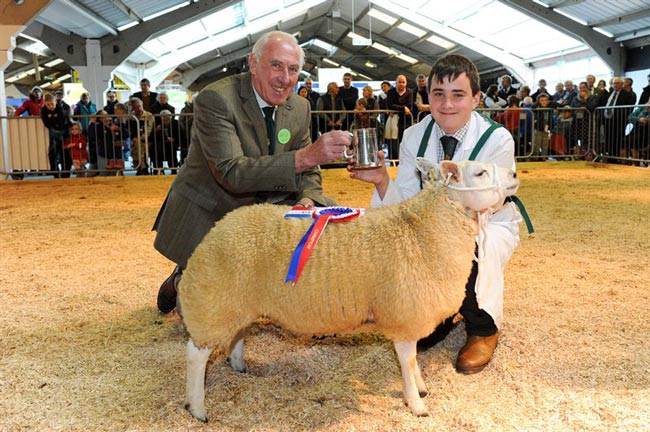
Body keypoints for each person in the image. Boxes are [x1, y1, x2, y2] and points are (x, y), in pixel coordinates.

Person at [152, 31, 351, 314]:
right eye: (276, 65)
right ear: (253, 64)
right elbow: (231, 172)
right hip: (213, 209)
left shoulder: (300, 107)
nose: (285, 77)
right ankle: (183, 279)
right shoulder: (216, 99)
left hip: (267, 208)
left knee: (327, 212)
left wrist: (306, 202)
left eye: (293, 69)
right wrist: (306, 157)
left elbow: (309, 170)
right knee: (207, 316)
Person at [349, 53, 521, 375]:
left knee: (468, 247)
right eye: (438, 94)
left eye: (458, 95)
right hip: (432, 225)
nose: (447, 104)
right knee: (404, 242)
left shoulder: (497, 139)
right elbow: (407, 203)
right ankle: (440, 313)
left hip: (487, 223)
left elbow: (492, 200)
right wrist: (382, 179)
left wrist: (442, 222)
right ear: (427, 97)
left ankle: (482, 326)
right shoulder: (415, 136)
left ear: (476, 98)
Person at [41, 92, 71, 178]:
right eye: (48, 104)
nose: (50, 106)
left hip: (64, 133)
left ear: (55, 102)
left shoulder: (60, 108)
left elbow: (61, 121)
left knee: (65, 153)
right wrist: (54, 118)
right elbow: (46, 123)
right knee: (52, 154)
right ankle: (55, 173)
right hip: (53, 135)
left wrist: (52, 118)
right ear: (45, 103)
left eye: (52, 104)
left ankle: (66, 174)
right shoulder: (43, 110)